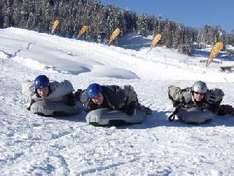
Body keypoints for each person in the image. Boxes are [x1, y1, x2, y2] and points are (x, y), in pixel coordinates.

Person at [77, 83, 152, 126]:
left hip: (122, 94)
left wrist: (131, 104)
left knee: (132, 111)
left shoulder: (115, 97)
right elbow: (80, 95)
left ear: (102, 93)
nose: (97, 100)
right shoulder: (86, 99)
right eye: (94, 98)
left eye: (98, 96)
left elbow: (129, 92)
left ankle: (144, 109)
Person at [168, 80, 234, 124]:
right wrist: (178, 104)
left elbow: (220, 94)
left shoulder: (209, 96)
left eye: (201, 94)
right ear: (193, 92)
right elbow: (171, 89)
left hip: (205, 108)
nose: (199, 96)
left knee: (222, 110)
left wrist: (214, 104)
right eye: (196, 93)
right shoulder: (184, 96)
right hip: (187, 107)